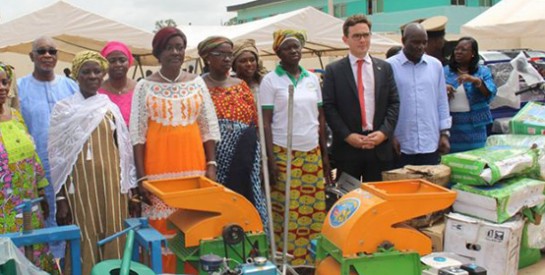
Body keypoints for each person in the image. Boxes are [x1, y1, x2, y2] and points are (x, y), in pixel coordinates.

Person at [130, 27, 220, 273]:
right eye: (169, 47)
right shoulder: (144, 86)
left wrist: (211, 166)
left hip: (194, 167)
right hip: (158, 170)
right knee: (163, 230)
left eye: (180, 47)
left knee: (193, 228)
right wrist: (141, 178)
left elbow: (208, 128)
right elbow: (137, 135)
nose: (176, 52)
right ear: (158, 53)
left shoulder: (197, 83)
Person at [49, 51, 136, 275]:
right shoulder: (63, 109)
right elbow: (57, 157)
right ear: (77, 75)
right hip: (79, 188)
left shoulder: (109, 107)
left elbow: (123, 150)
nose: (92, 76)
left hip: (112, 186)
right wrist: (60, 198)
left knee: (113, 232)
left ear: (102, 74)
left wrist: (128, 187)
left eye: (97, 71)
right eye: (86, 72)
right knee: (83, 234)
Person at [259, 29, 330, 265]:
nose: (294, 51)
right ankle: (285, 260)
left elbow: (320, 119)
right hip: (283, 152)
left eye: (297, 46)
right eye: (289, 47)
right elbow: (266, 124)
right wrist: (270, 161)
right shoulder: (270, 81)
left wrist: (326, 160)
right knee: (286, 211)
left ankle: (309, 261)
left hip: (311, 153)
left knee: (312, 211)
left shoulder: (312, 79)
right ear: (278, 52)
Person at [197, 36, 269, 231]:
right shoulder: (198, 86)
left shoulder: (241, 85)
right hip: (215, 155)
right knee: (221, 203)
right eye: (220, 54)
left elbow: (254, 122)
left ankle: (252, 247)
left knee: (248, 198)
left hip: (246, 151)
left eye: (229, 54)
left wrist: (261, 158)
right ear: (206, 57)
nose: (227, 58)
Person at [17, 36, 78, 255]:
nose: (47, 55)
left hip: (69, 170)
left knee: (69, 220)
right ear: (31, 56)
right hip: (34, 173)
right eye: (41, 51)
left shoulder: (71, 86)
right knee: (37, 224)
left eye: (52, 51)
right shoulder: (19, 88)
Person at [323, 14, 399, 182]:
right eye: (356, 36)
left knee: (378, 202)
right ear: (345, 39)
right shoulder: (334, 71)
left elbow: (394, 103)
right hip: (348, 150)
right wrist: (347, 136)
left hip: (379, 149)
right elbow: (329, 107)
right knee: (348, 202)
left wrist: (384, 133)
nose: (362, 40)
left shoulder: (385, 68)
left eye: (366, 35)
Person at [0, 63, 59, 274]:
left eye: (5, 82)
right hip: (3, 212)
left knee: (35, 253)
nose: (2, 87)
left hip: (29, 204)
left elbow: (32, 154)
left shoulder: (15, 115)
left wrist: (42, 190)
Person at [387, 23, 451, 166]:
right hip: (401, 145)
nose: (420, 46)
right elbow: (384, 105)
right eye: (415, 42)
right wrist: (390, 136)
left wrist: (444, 134)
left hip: (430, 143)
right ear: (403, 41)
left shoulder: (436, 66)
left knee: (430, 187)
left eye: (424, 42)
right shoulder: (389, 66)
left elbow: (441, 101)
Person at [444, 37, 497, 152]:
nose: (458, 52)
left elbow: (490, 92)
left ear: (473, 53)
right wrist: (443, 89)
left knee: (475, 158)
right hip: (453, 125)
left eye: (463, 49)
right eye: (457, 49)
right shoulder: (445, 71)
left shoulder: (482, 71)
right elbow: (434, 92)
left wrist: (475, 81)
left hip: (475, 126)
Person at [99, 41, 137, 126]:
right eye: (112, 61)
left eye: (122, 60)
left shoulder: (139, 89)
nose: (118, 64)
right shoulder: (97, 92)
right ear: (104, 64)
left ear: (129, 61)